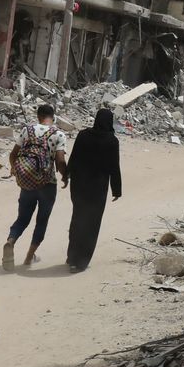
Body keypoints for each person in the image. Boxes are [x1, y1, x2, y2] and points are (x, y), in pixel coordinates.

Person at [4, 104, 67, 270]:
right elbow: (60, 161)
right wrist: (65, 176)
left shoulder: (27, 130)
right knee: (41, 221)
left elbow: (13, 154)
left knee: (22, 218)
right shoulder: (58, 134)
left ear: (38, 116)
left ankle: (10, 241)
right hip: (47, 184)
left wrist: (15, 170)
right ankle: (28, 258)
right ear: (52, 117)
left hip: (27, 183)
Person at [63, 108, 122, 272]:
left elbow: (74, 157)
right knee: (91, 224)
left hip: (79, 186)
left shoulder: (83, 135)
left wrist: (66, 175)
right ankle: (80, 261)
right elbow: (114, 167)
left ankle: (71, 257)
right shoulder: (112, 141)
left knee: (77, 219)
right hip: (97, 190)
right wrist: (116, 190)